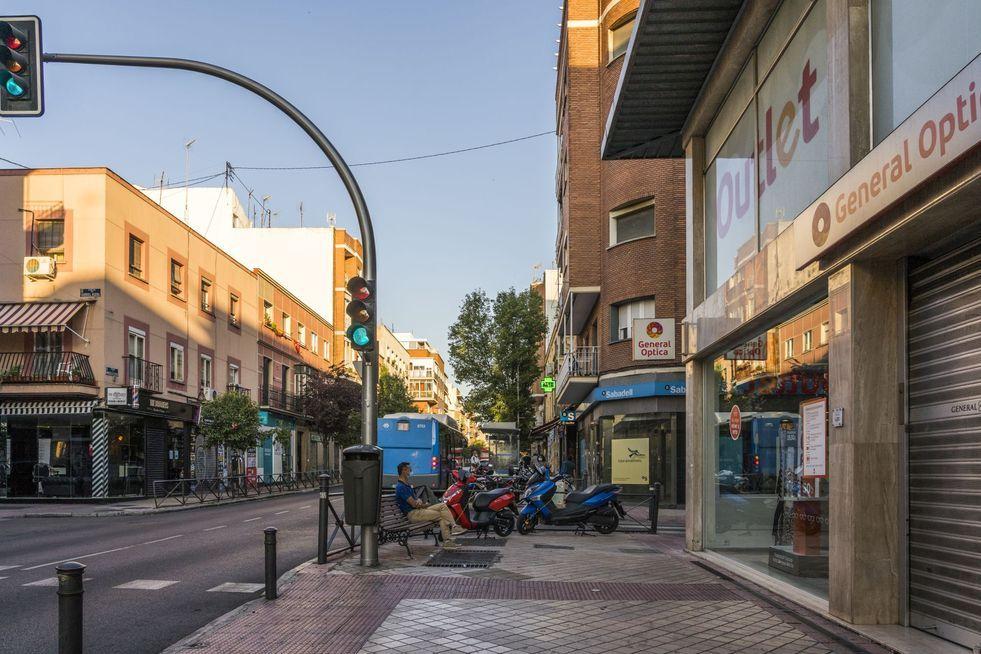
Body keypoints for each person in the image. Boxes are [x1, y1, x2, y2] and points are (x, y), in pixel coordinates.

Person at [394, 461, 464, 548]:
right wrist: (425, 505)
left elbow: (416, 500)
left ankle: (453, 527)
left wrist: (419, 501)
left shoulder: (406, 484)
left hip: (419, 511)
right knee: (442, 516)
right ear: (404, 470)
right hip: (413, 514)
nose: (411, 470)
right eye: (409, 469)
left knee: (442, 505)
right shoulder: (401, 487)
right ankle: (448, 541)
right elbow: (414, 505)